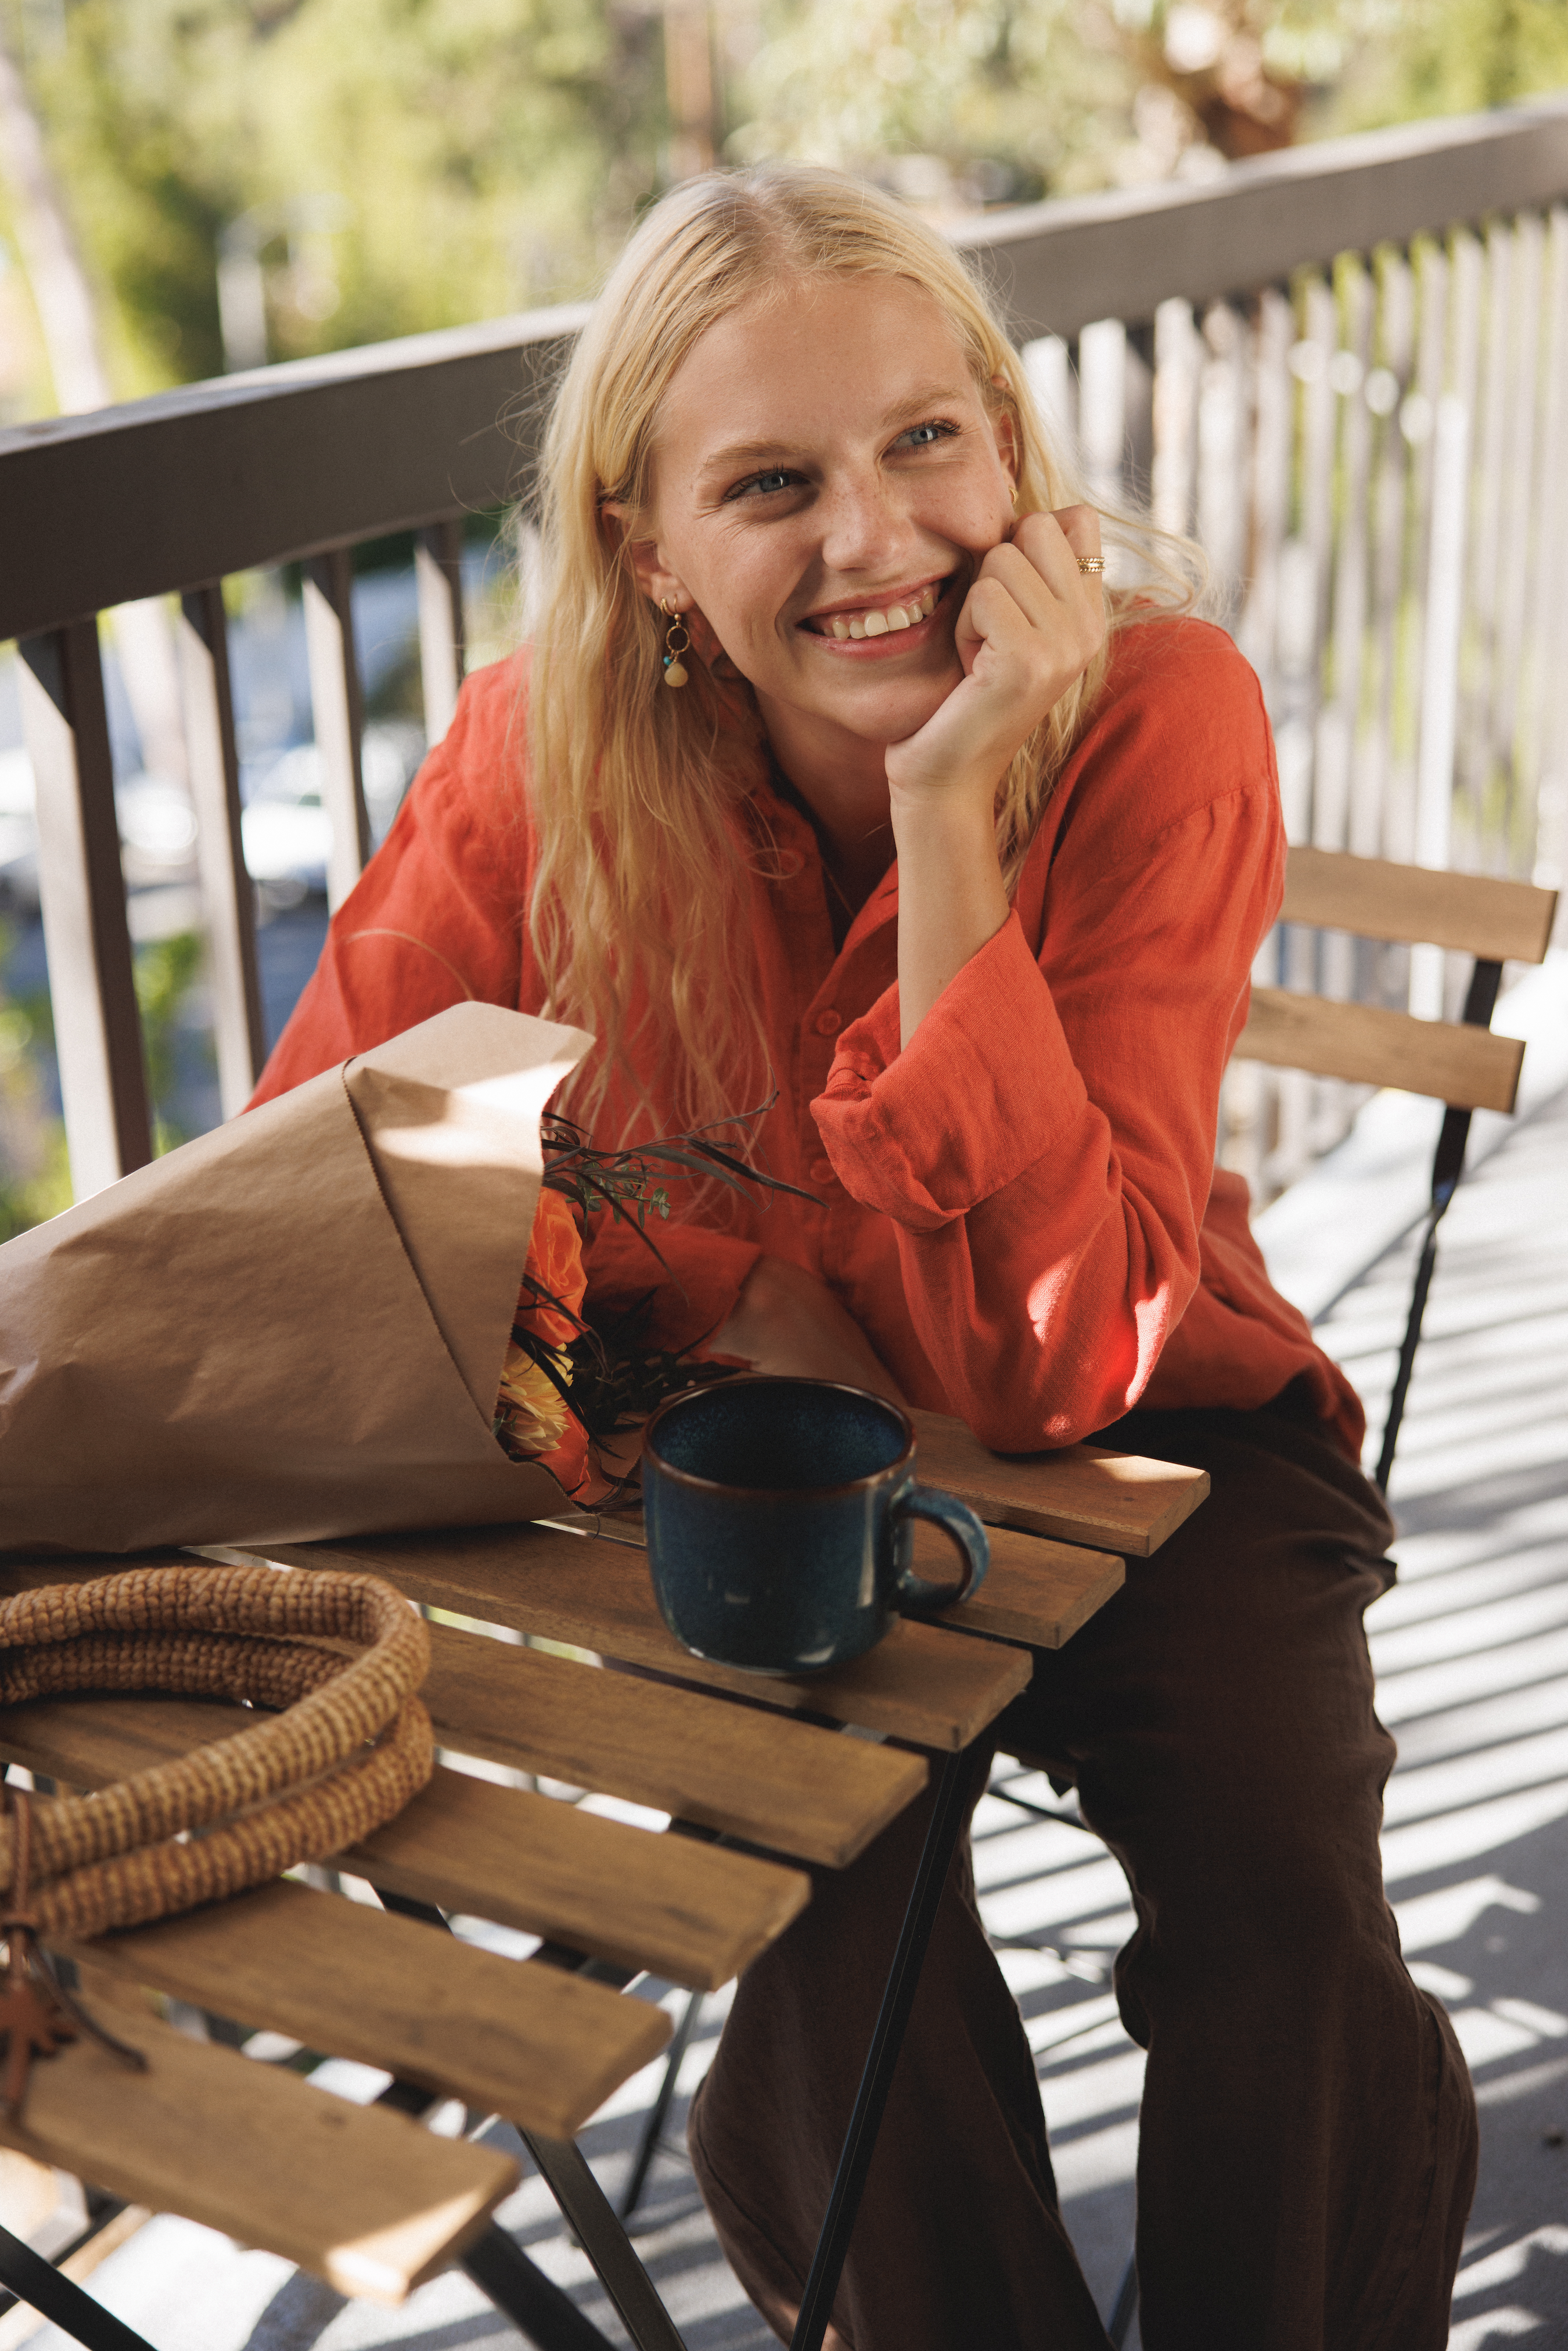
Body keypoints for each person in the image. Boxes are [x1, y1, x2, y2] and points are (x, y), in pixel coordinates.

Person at [253, 166, 1477, 2349]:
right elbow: (321, 1183)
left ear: (1007, 452)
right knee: (811, 1894)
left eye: (927, 438)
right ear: (647, 546)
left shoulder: (1158, 713)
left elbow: (1054, 1360)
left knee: (1283, 1872)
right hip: (737, 1451)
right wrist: (705, 1307)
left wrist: (941, 825)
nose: (875, 538)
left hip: (1164, 1437)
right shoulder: (542, 755)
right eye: (768, 482)